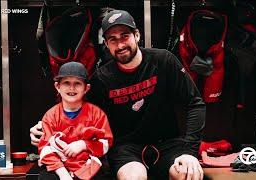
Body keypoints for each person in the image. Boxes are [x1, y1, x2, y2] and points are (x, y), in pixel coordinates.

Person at [31, 10, 206, 180]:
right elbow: (77, 110)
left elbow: (195, 103)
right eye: (112, 39)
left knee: (188, 173)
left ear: (136, 35)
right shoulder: (102, 78)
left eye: (125, 36)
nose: (120, 44)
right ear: (106, 44)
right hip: (126, 149)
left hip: (169, 143)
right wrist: (46, 128)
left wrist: (189, 152)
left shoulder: (163, 60)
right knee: (134, 177)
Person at [37, 62, 113, 180]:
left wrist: (84, 144)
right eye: (66, 83)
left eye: (77, 83)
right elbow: (45, 150)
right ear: (57, 86)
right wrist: (63, 174)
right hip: (60, 167)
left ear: (86, 88)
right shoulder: (50, 116)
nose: (71, 88)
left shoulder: (97, 114)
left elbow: (106, 143)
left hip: (89, 165)